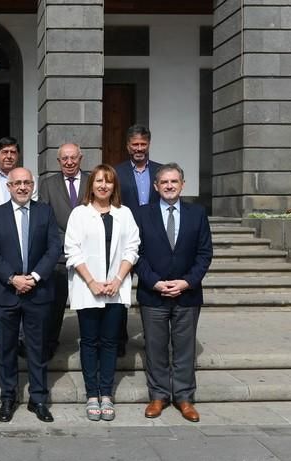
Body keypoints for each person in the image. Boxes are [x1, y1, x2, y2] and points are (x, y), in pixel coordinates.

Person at [134, 163, 212, 423]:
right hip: (152, 294)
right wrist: (154, 282)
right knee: (155, 348)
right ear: (156, 186)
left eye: (174, 181)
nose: (169, 186)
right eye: (164, 182)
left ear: (182, 184)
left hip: (187, 294)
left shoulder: (197, 213)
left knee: (184, 348)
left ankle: (184, 397)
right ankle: (158, 396)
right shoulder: (142, 214)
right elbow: (136, 254)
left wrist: (186, 282)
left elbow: (204, 254)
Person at [0, 167, 60, 423]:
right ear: (9, 186)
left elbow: (54, 248)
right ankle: (8, 397)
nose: (22, 187)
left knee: (37, 350)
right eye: (17, 183)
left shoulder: (45, 212)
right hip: (6, 292)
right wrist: (12, 278)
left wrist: (35, 277)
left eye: (27, 182)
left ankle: (38, 398)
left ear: (33, 185)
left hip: (38, 292)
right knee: (6, 349)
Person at [64, 164, 140, 422]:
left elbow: (132, 247)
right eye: (98, 181)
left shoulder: (125, 214)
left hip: (116, 289)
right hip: (89, 288)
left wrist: (118, 279)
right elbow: (72, 250)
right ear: (91, 185)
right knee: (89, 342)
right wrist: (92, 282)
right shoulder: (79, 214)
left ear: (114, 186)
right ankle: (91, 395)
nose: (103, 186)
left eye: (108, 181)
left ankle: (106, 394)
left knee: (109, 343)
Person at [0, 137, 37, 360]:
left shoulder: (28, 178)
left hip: (22, 247)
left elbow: (33, 208)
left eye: (12, 152)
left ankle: (18, 338)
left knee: (21, 296)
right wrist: (3, 231)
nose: (8, 156)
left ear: (17, 155)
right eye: (4, 152)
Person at [114, 124, 162, 358]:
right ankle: (120, 338)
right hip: (124, 239)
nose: (139, 149)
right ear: (127, 146)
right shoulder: (117, 172)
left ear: (149, 145)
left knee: (151, 289)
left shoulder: (161, 172)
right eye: (135, 144)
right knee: (121, 289)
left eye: (143, 144)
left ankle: (151, 336)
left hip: (154, 241)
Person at [38, 143, 88, 360]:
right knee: (55, 302)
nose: (69, 162)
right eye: (64, 159)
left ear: (80, 158)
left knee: (89, 303)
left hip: (88, 253)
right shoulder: (48, 184)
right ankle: (49, 342)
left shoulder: (92, 181)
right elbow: (44, 219)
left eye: (73, 158)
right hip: (58, 252)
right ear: (58, 161)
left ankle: (90, 343)